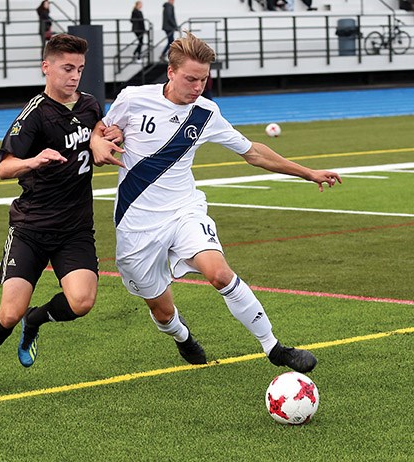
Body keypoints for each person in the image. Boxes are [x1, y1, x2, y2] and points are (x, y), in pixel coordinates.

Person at [90, 32, 341, 373]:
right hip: (137, 223)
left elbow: (252, 152)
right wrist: (98, 143)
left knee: (220, 273)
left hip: (184, 211)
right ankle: (182, 337)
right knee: (162, 311)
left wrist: (307, 172)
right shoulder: (134, 99)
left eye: (204, 79)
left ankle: (274, 348)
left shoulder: (206, 112)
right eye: (191, 79)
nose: (198, 87)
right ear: (171, 72)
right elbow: (103, 128)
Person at [0, 34, 122, 395]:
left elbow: (97, 131)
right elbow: (4, 168)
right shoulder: (34, 115)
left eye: (80, 69)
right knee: (8, 312)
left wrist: (110, 135)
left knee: (82, 302)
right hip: (31, 228)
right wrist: (34, 160)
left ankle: (35, 321)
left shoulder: (88, 104)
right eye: (67, 68)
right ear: (47, 67)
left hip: (75, 228)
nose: (74, 76)